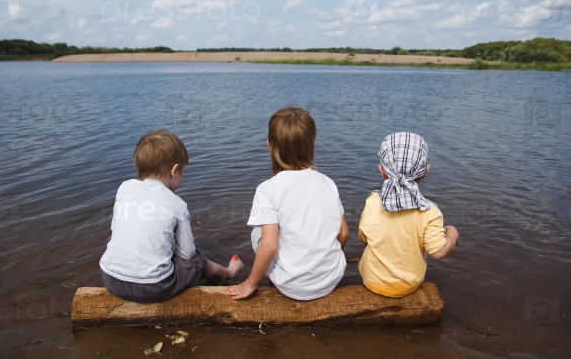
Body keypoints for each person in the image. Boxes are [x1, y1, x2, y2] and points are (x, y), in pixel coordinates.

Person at [99, 129, 244, 303]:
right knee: (196, 260)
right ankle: (229, 272)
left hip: (110, 278)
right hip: (153, 287)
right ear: (174, 171)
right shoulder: (176, 204)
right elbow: (187, 253)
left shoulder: (125, 187)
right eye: (183, 171)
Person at [225, 107, 349, 301]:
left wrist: (250, 282)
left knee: (258, 232)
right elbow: (343, 233)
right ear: (313, 145)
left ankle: (268, 275)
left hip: (292, 286)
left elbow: (270, 245)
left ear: (269, 146)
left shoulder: (268, 189)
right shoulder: (328, 183)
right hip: (331, 279)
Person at [358, 132, 459, 298]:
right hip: (409, 285)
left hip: (371, 280)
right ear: (425, 171)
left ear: (381, 170)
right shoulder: (429, 211)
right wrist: (452, 231)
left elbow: (363, 238)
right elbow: (438, 252)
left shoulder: (373, 202)